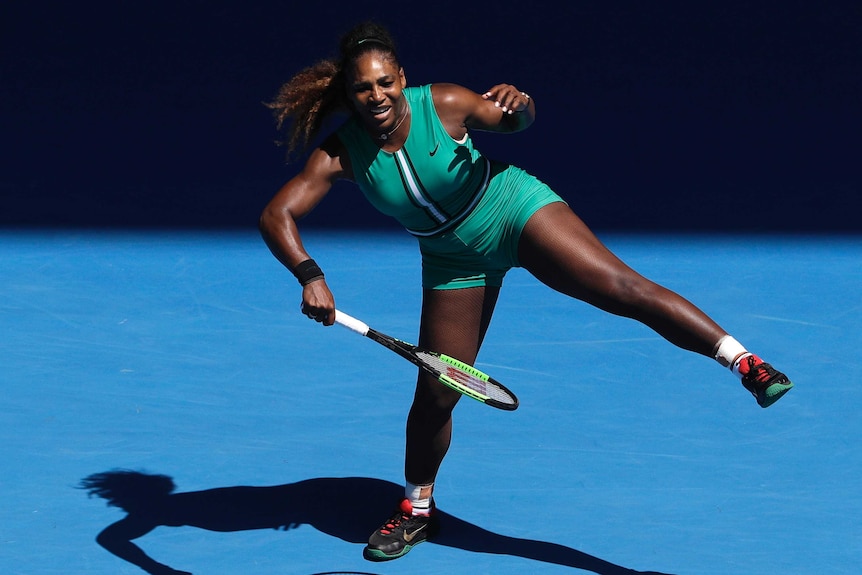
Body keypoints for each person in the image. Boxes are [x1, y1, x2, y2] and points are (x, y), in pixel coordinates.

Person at [259, 20, 794, 562]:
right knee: (437, 391)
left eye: (385, 82)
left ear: (402, 77)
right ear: (349, 93)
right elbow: (276, 214)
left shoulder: (442, 103)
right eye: (363, 88)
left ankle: (745, 364)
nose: (376, 95)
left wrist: (521, 106)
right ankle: (416, 510)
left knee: (622, 287)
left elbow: (511, 122)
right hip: (452, 261)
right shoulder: (341, 154)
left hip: (512, 209)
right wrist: (309, 275)